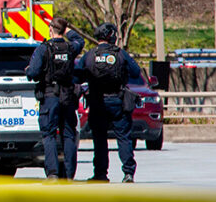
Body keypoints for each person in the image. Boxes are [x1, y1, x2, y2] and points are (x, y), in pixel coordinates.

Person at [77, 23, 141, 183]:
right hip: (118, 100)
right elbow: (135, 71)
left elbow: (77, 74)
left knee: (99, 140)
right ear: (111, 36)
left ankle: (100, 174)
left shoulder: (90, 55)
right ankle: (128, 173)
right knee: (124, 138)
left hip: (98, 101)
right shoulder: (120, 54)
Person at [25, 17, 84, 181]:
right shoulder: (71, 47)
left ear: (51, 29)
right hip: (67, 95)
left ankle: (53, 173)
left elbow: (33, 73)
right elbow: (80, 40)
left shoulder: (44, 49)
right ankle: (69, 175)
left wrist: (29, 70)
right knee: (68, 134)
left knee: (49, 135)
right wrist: (66, 30)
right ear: (63, 30)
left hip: (50, 95)